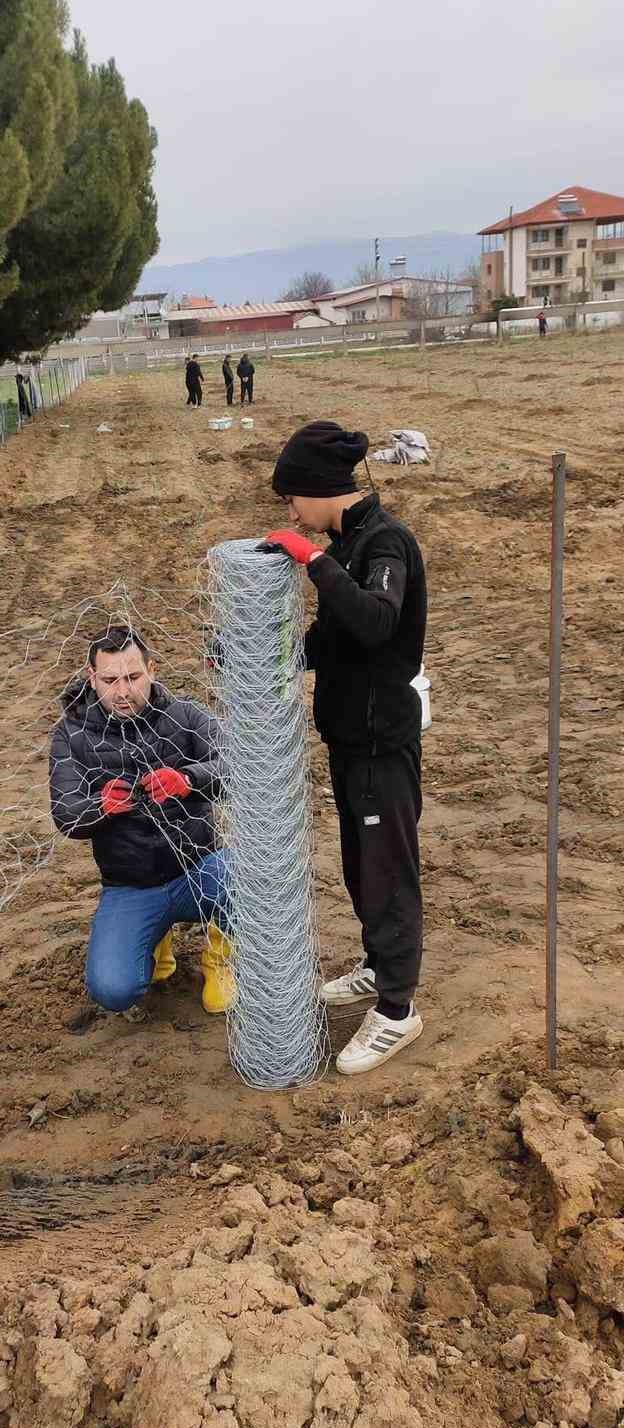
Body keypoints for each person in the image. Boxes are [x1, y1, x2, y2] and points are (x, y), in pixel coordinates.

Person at [262, 420, 427, 1076]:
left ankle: (396, 1010)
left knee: (388, 871)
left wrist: (311, 560)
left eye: (291, 498)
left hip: (383, 741)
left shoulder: (385, 543)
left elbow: (375, 619)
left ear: (319, 489)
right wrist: (254, 653)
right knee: (361, 864)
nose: (291, 513)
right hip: (350, 737)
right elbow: (334, 639)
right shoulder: (350, 540)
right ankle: (378, 964)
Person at [49, 627, 234, 1017]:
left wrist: (187, 780)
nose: (123, 691)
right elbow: (65, 813)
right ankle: (154, 941)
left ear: (151, 669)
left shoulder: (185, 714)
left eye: (133, 677)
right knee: (113, 989)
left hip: (200, 868)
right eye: (110, 680)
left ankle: (220, 958)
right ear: (91, 676)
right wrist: (100, 806)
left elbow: (234, 763)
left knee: (257, 885)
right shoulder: (72, 734)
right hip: (131, 887)